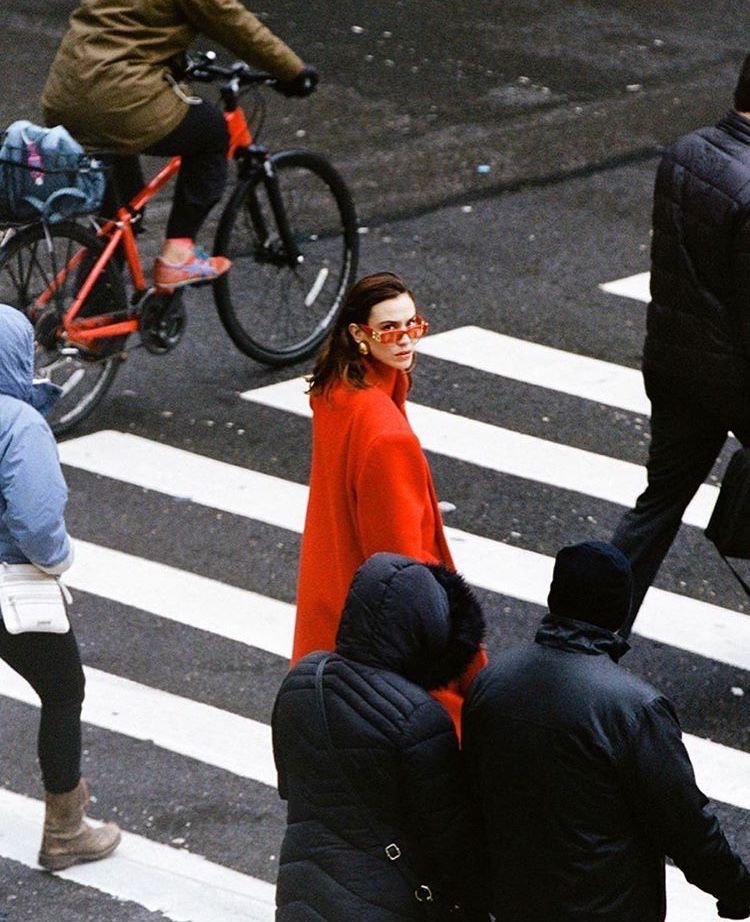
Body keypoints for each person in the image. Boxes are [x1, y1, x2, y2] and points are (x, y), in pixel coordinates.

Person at [463, 540, 750, 922]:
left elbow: (471, 796)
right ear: (620, 610)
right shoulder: (635, 709)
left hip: (512, 904)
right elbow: (685, 828)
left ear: (554, 596)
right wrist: (737, 890)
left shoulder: (491, 682)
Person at [293, 271, 486, 729]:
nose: (405, 340)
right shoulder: (386, 435)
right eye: (390, 330)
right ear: (359, 335)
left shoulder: (336, 393)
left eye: (412, 325)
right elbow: (404, 565)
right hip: (387, 648)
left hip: (331, 604)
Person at [611, 51, 750, 636]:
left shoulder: (685, 152)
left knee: (659, 504)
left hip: (673, 364)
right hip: (735, 376)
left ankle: (592, 630)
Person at [272, 551, 490, 921]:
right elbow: (450, 842)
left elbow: (289, 785)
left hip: (301, 897)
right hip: (387, 906)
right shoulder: (418, 718)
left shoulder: (304, 680)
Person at [41, 0, 317, 290]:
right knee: (212, 133)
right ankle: (178, 255)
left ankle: (89, 327)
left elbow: (127, 25)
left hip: (67, 97)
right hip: (119, 100)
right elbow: (227, 18)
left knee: (120, 216)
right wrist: (293, 71)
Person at [0, 304, 121, 870]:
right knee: (63, 688)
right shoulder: (18, 424)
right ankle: (65, 829)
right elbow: (37, 520)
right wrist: (59, 558)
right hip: (11, 590)